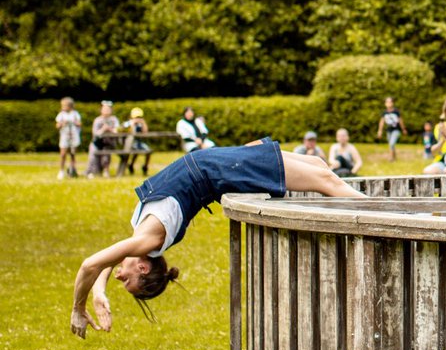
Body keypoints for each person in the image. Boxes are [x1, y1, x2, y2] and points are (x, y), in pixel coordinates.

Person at [70, 139, 366, 338]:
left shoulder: (142, 237)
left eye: (123, 280)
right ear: (144, 267)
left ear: (142, 267)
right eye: (125, 279)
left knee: (321, 170)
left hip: (219, 165)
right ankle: (375, 213)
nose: (119, 274)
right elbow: (99, 264)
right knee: (324, 176)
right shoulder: (148, 239)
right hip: (220, 167)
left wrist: (84, 303)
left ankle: (374, 214)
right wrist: (93, 293)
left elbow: (94, 265)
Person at [85, 100, 121, 178]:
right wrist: (103, 129)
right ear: (101, 110)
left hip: (109, 143)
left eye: (108, 109)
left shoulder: (114, 119)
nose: (106, 111)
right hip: (97, 142)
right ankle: (91, 171)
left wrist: (110, 129)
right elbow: (95, 133)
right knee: (92, 154)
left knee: (106, 154)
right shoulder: (97, 120)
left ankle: (106, 170)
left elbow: (118, 131)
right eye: (105, 109)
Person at [120, 107, 153, 177]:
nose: (138, 119)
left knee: (148, 151)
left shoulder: (140, 124)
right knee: (135, 151)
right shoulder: (127, 124)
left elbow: (145, 133)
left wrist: (143, 123)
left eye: (140, 117)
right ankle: (130, 166)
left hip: (138, 143)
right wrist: (132, 124)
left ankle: (145, 167)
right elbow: (126, 131)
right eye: (137, 117)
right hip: (129, 144)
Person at [56, 97, 82, 180]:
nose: (63, 107)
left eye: (65, 105)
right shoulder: (61, 114)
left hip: (74, 137)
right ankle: (61, 170)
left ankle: (72, 170)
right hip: (65, 137)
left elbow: (79, 124)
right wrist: (62, 123)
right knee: (63, 154)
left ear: (70, 106)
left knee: (73, 154)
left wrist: (74, 122)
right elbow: (57, 125)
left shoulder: (75, 114)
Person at [376, 97, 407, 162]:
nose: (388, 103)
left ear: (392, 103)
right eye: (387, 102)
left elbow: (400, 120)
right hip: (389, 130)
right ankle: (394, 157)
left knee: (391, 144)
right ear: (385, 104)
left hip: (396, 130)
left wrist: (403, 129)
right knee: (391, 145)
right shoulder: (384, 112)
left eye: (390, 102)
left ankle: (391, 158)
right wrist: (380, 131)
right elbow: (382, 122)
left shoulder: (396, 111)